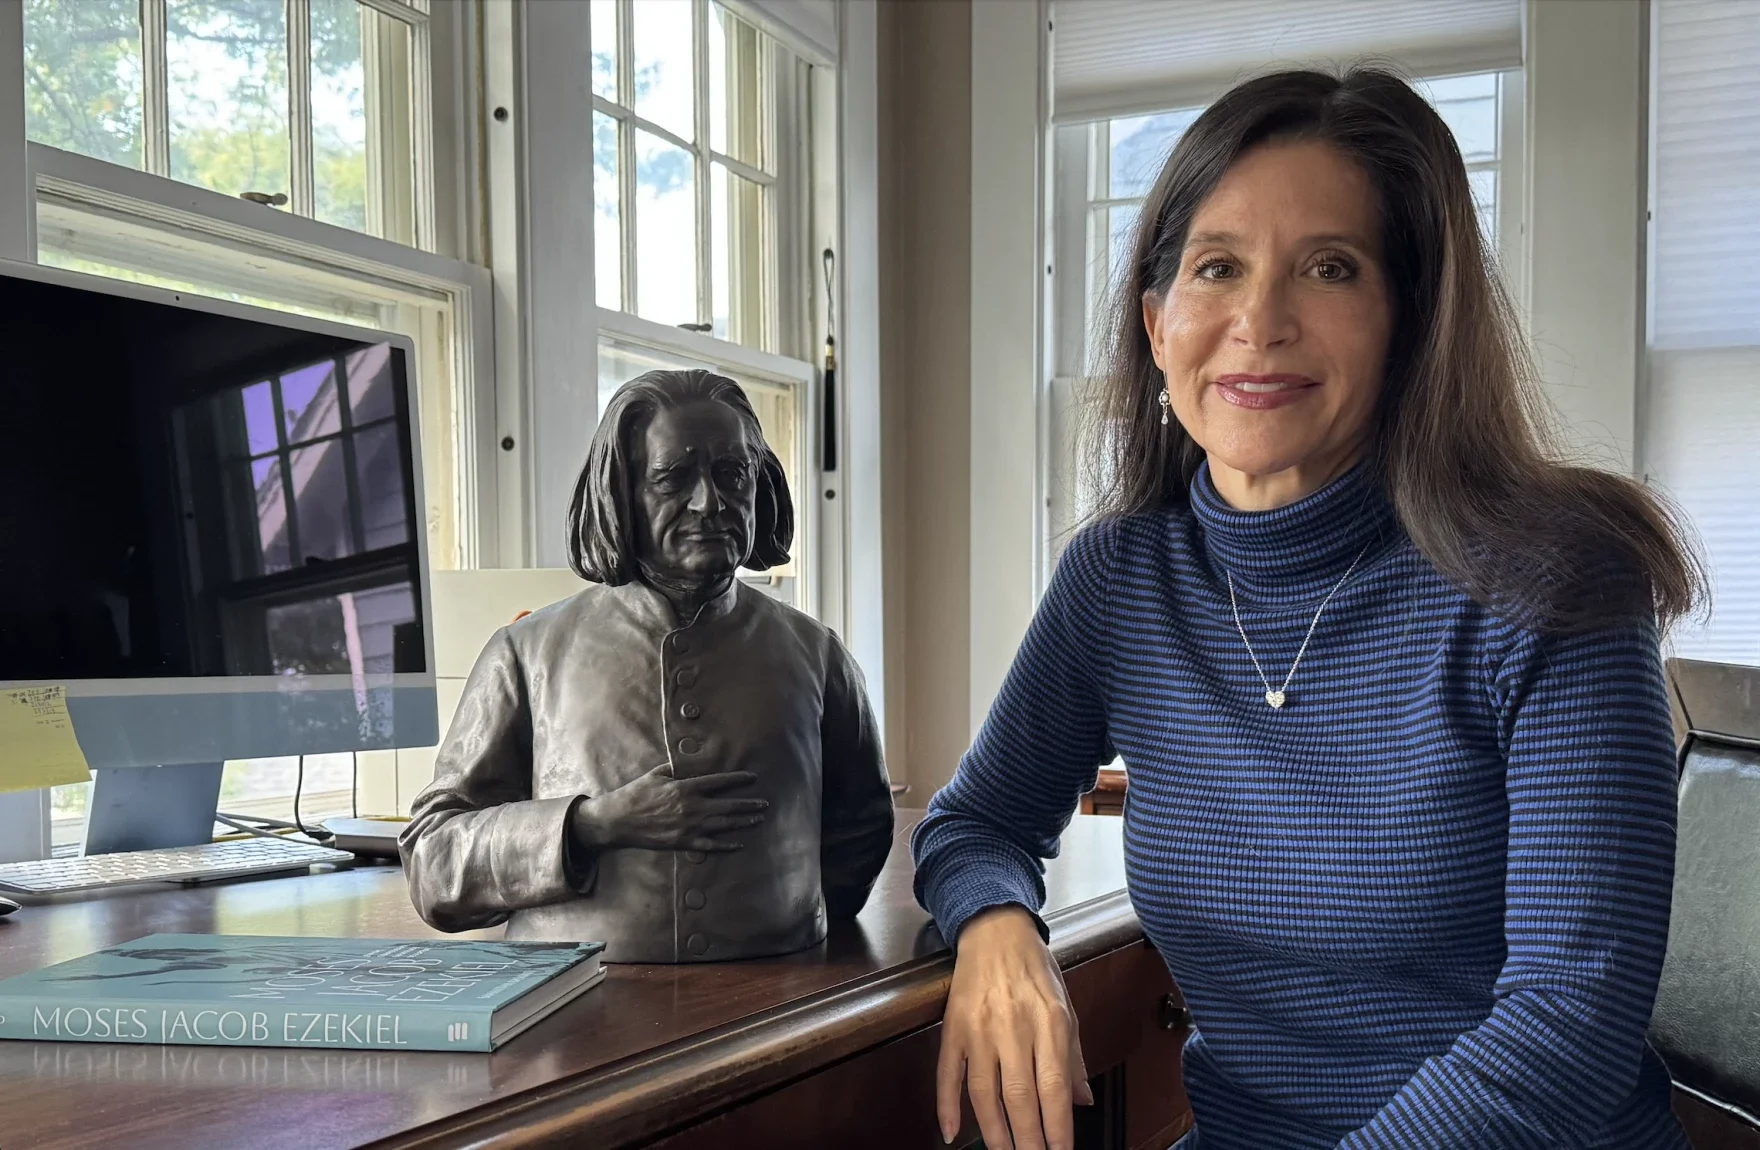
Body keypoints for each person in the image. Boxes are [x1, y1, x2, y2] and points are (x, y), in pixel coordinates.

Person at [912, 67, 1701, 1150]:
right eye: (1215, 268)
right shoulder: (1118, 581)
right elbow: (977, 820)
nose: (1257, 321)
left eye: (1328, 268)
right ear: (1155, 325)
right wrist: (997, 926)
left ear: (1410, 319)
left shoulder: (1551, 582)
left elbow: (1567, 1024)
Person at [402, 369, 894, 963]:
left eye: (732, 475)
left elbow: (859, 831)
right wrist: (590, 825)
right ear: (622, 492)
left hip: (773, 992)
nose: (708, 502)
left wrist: (781, 920)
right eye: (673, 478)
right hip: (571, 1004)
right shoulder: (526, 653)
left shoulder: (818, 655)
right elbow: (433, 862)